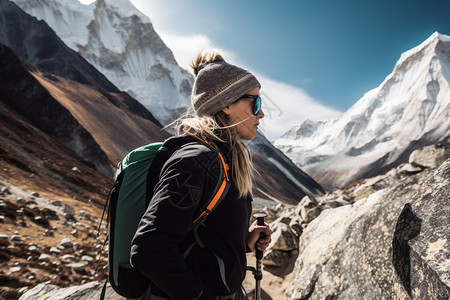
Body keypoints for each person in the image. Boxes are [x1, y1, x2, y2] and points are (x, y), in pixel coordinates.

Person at [130, 50, 272, 300]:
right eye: (255, 102)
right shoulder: (197, 160)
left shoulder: (225, 158)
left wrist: (245, 243)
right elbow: (149, 248)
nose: (261, 114)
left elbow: (202, 237)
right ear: (227, 104)